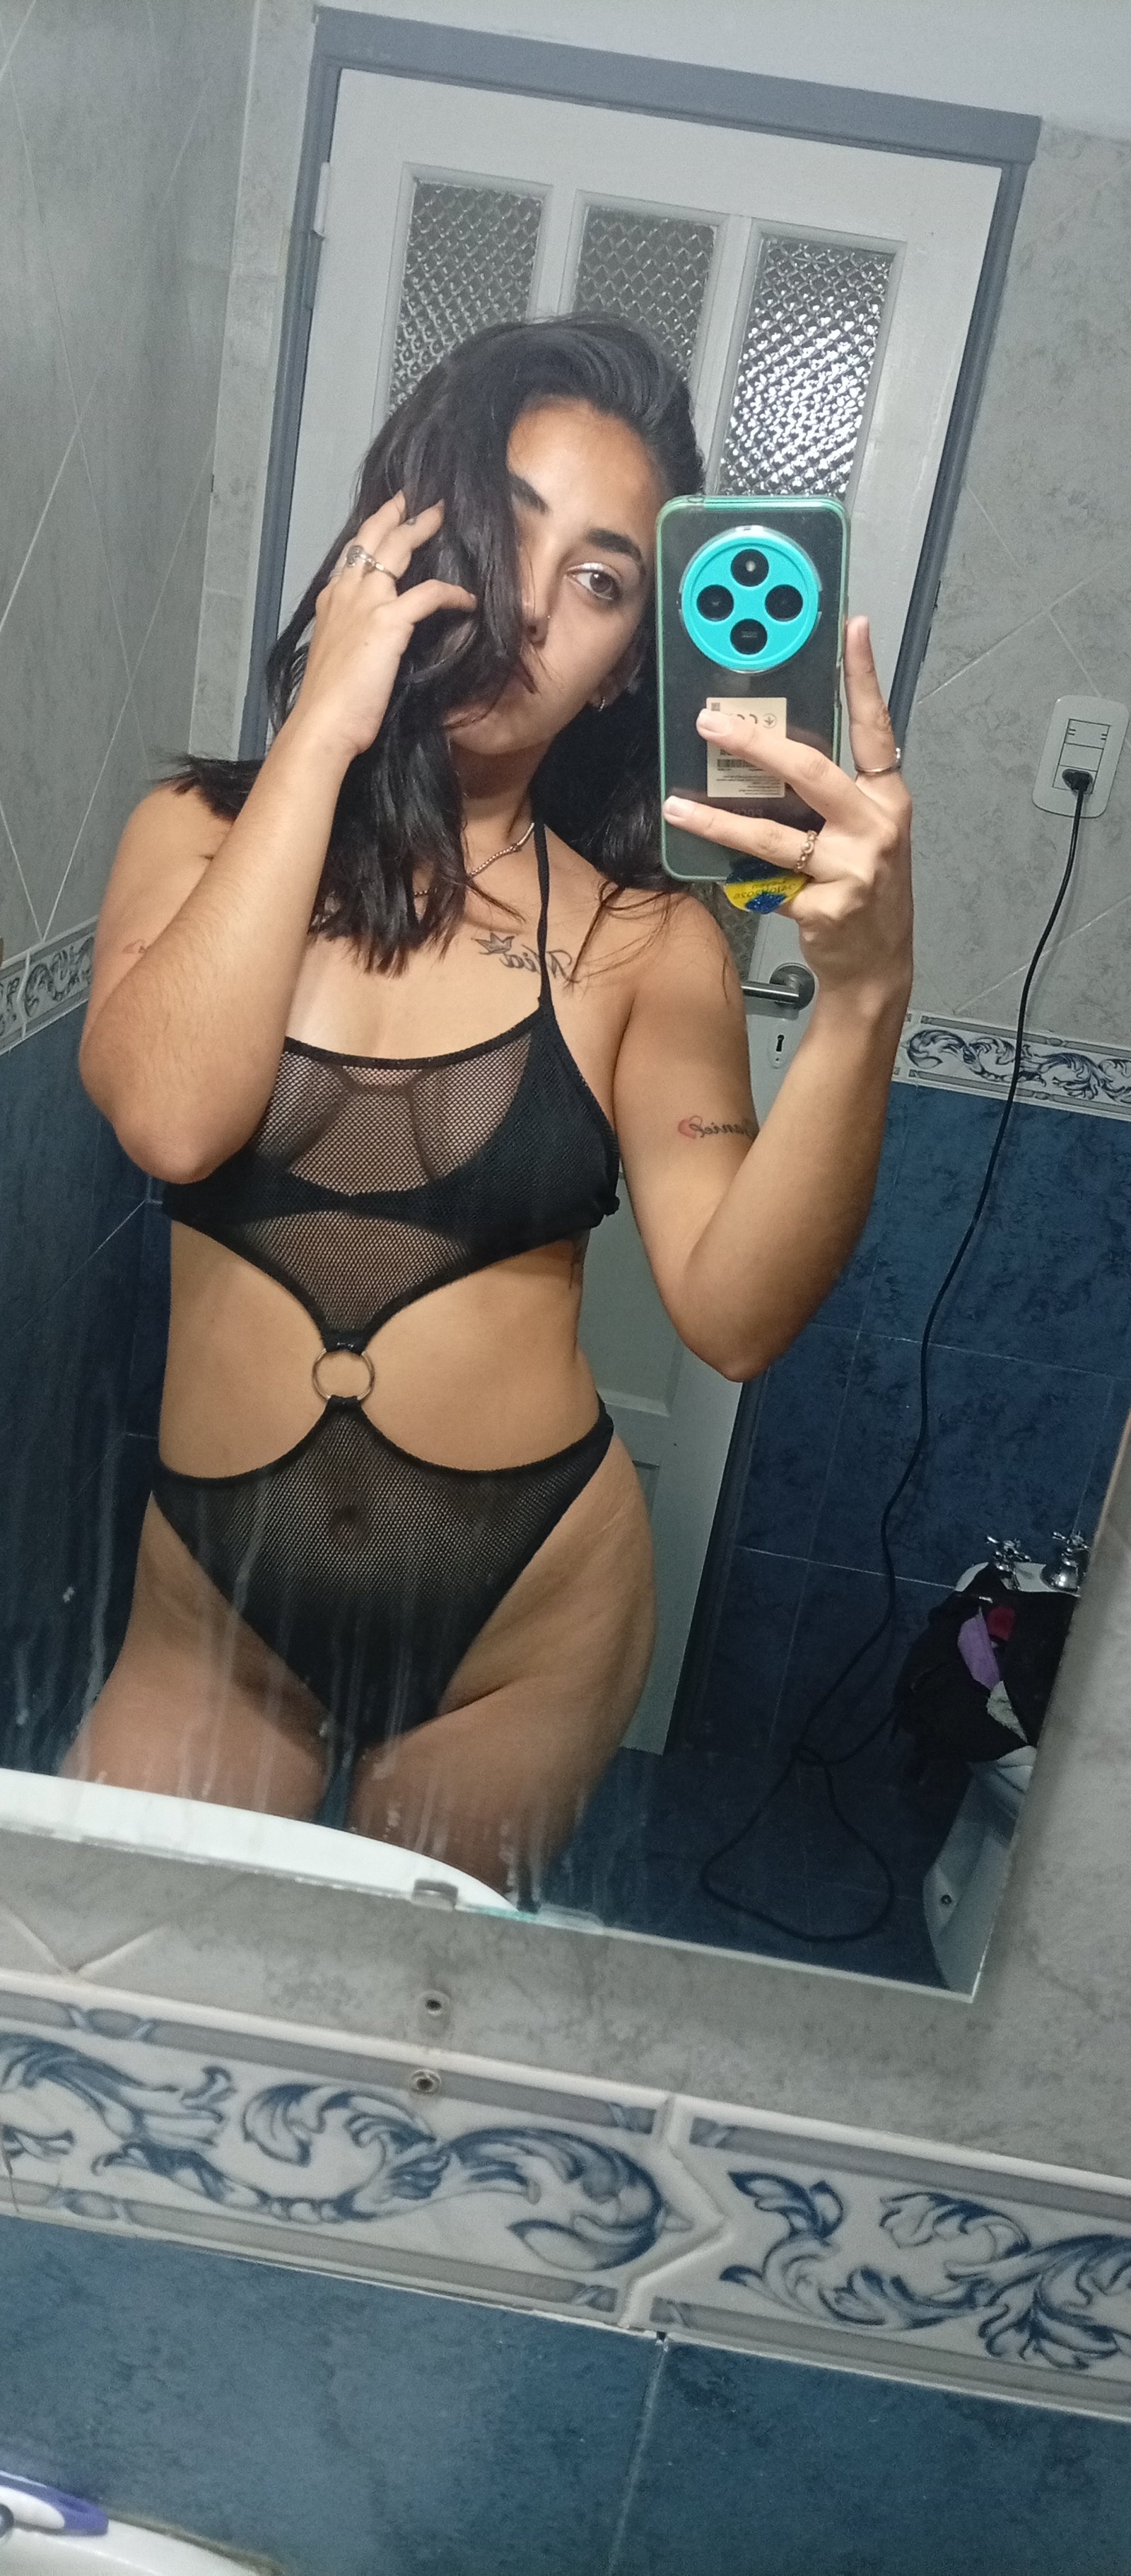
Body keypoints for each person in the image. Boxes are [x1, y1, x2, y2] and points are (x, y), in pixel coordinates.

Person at [68, 315, 913, 1898]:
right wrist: (324, 727)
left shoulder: (648, 942)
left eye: (598, 581)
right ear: (402, 530)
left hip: (522, 1623)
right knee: (109, 1969)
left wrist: (864, 999)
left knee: (407, 2036)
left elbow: (734, 1318)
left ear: (623, 672)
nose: (530, 606)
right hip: (216, 1613)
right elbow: (171, 1120)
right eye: (504, 527)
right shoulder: (194, 834)